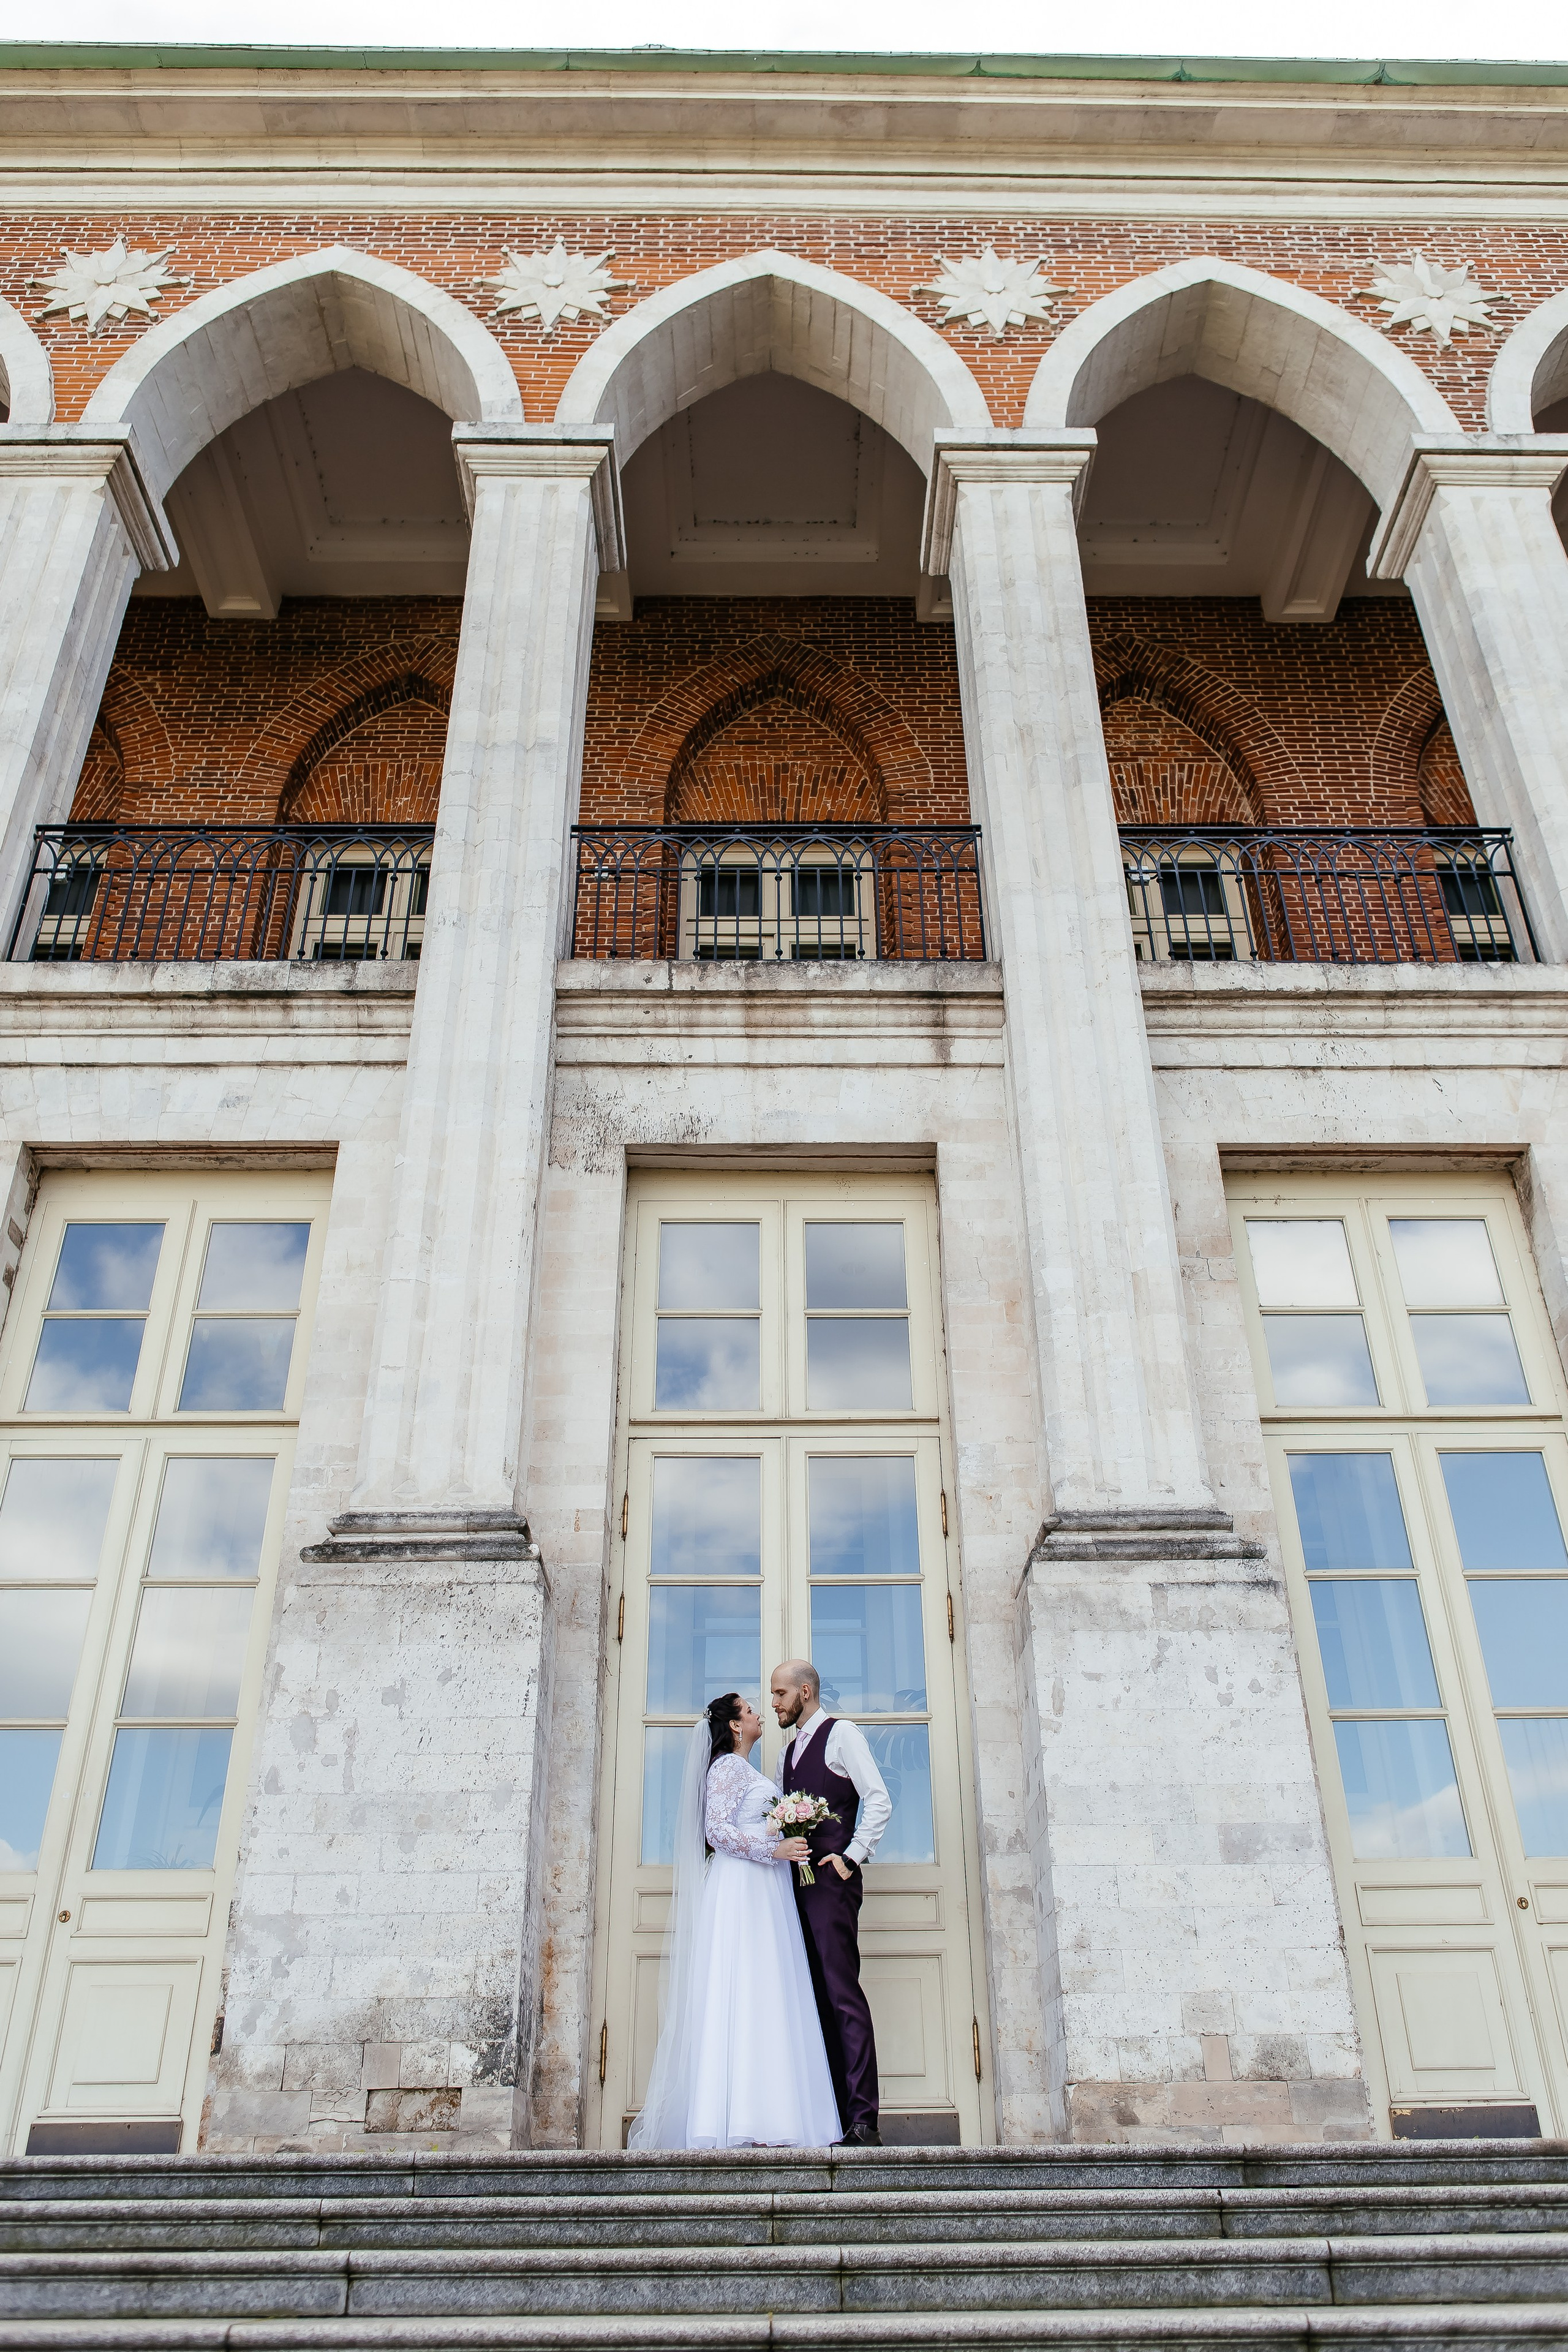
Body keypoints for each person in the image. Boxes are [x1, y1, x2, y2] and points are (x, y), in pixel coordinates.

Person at [628, 1690, 842, 2150]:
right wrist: (775, 1848)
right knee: (745, 1987)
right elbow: (716, 1830)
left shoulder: (745, 1770)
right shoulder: (726, 1767)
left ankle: (773, 2114)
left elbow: (744, 1823)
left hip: (764, 1888)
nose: (760, 1713)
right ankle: (743, 2118)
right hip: (742, 1886)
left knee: (767, 1990)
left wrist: (781, 1832)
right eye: (750, 1711)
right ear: (734, 1726)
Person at [769, 1657, 891, 2147]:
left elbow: (878, 1798)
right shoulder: (787, 1753)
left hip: (832, 1883)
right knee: (814, 2000)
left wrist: (852, 1856)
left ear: (806, 1690)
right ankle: (832, 2118)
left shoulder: (843, 1735)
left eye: (780, 1693)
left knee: (843, 1996)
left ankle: (864, 2121)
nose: (775, 1702)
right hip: (795, 1887)